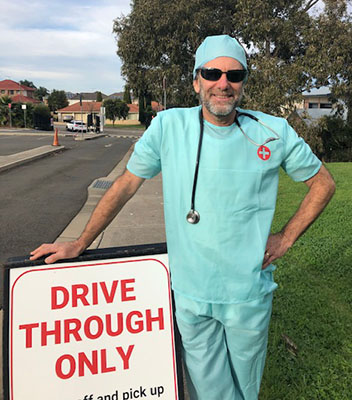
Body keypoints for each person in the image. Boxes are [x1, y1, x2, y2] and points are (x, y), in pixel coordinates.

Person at [31, 35, 336, 400]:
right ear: (196, 80)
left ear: (243, 83)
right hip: (191, 292)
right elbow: (127, 183)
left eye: (234, 75)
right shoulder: (168, 126)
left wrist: (286, 237)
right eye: (212, 72)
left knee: (245, 390)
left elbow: (323, 183)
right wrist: (80, 242)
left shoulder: (273, 131)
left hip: (247, 294)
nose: (223, 83)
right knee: (209, 392)